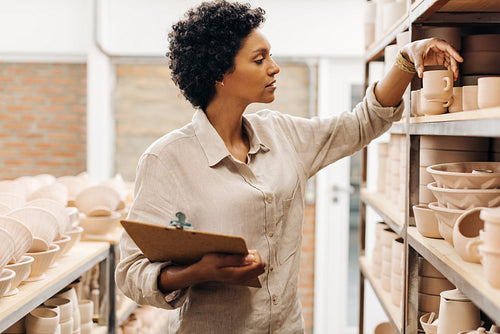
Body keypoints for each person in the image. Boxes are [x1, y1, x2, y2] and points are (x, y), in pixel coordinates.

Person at [115, 1, 463, 333]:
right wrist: (197, 272)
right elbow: (130, 271)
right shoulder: (167, 160)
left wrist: (405, 61)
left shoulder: (282, 134)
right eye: (259, 58)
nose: (274, 67)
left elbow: (363, 122)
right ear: (220, 73)